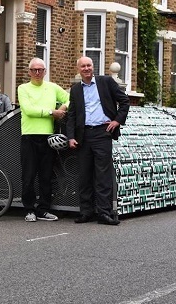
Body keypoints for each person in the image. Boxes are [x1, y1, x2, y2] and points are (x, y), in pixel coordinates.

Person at [66, 56, 129, 226]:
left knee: (103, 175)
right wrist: (70, 137)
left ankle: (104, 213)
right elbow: (71, 114)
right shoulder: (75, 89)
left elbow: (124, 101)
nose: (86, 69)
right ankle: (86, 212)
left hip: (103, 133)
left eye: (89, 65)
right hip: (83, 136)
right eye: (83, 66)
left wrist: (117, 121)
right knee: (84, 175)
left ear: (93, 67)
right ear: (78, 69)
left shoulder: (106, 82)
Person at [17, 58, 69, 222]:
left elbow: (71, 97)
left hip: (48, 138)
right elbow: (28, 110)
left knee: (46, 176)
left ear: (45, 71)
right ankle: (30, 210)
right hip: (29, 136)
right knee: (29, 175)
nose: (37, 73)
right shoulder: (23, 88)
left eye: (40, 70)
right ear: (29, 72)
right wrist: (51, 112)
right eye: (34, 70)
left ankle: (44, 209)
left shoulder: (52, 87)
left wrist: (62, 108)